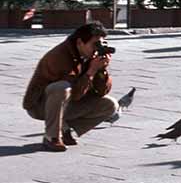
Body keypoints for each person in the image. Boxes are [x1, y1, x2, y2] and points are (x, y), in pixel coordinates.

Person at [22, 21, 118, 152]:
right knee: (62, 87)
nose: (97, 48)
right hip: (40, 105)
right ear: (80, 42)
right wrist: (91, 71)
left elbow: (101, 92)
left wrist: (102, 70)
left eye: (101, 44)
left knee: (110, 104)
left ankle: (65, 129)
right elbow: (76, 94)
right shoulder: (60, 56)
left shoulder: (90, 55)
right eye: (94, 44)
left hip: (67, 103)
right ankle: (52, 137)